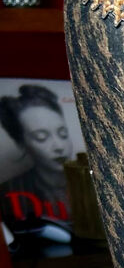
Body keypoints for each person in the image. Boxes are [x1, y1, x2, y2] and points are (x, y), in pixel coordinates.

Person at [0, 83, 74, 252]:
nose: (59, 146)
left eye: (63, 134)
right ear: (21, 143)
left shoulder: (95, 183)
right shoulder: (7, 193)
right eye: (41, 137)